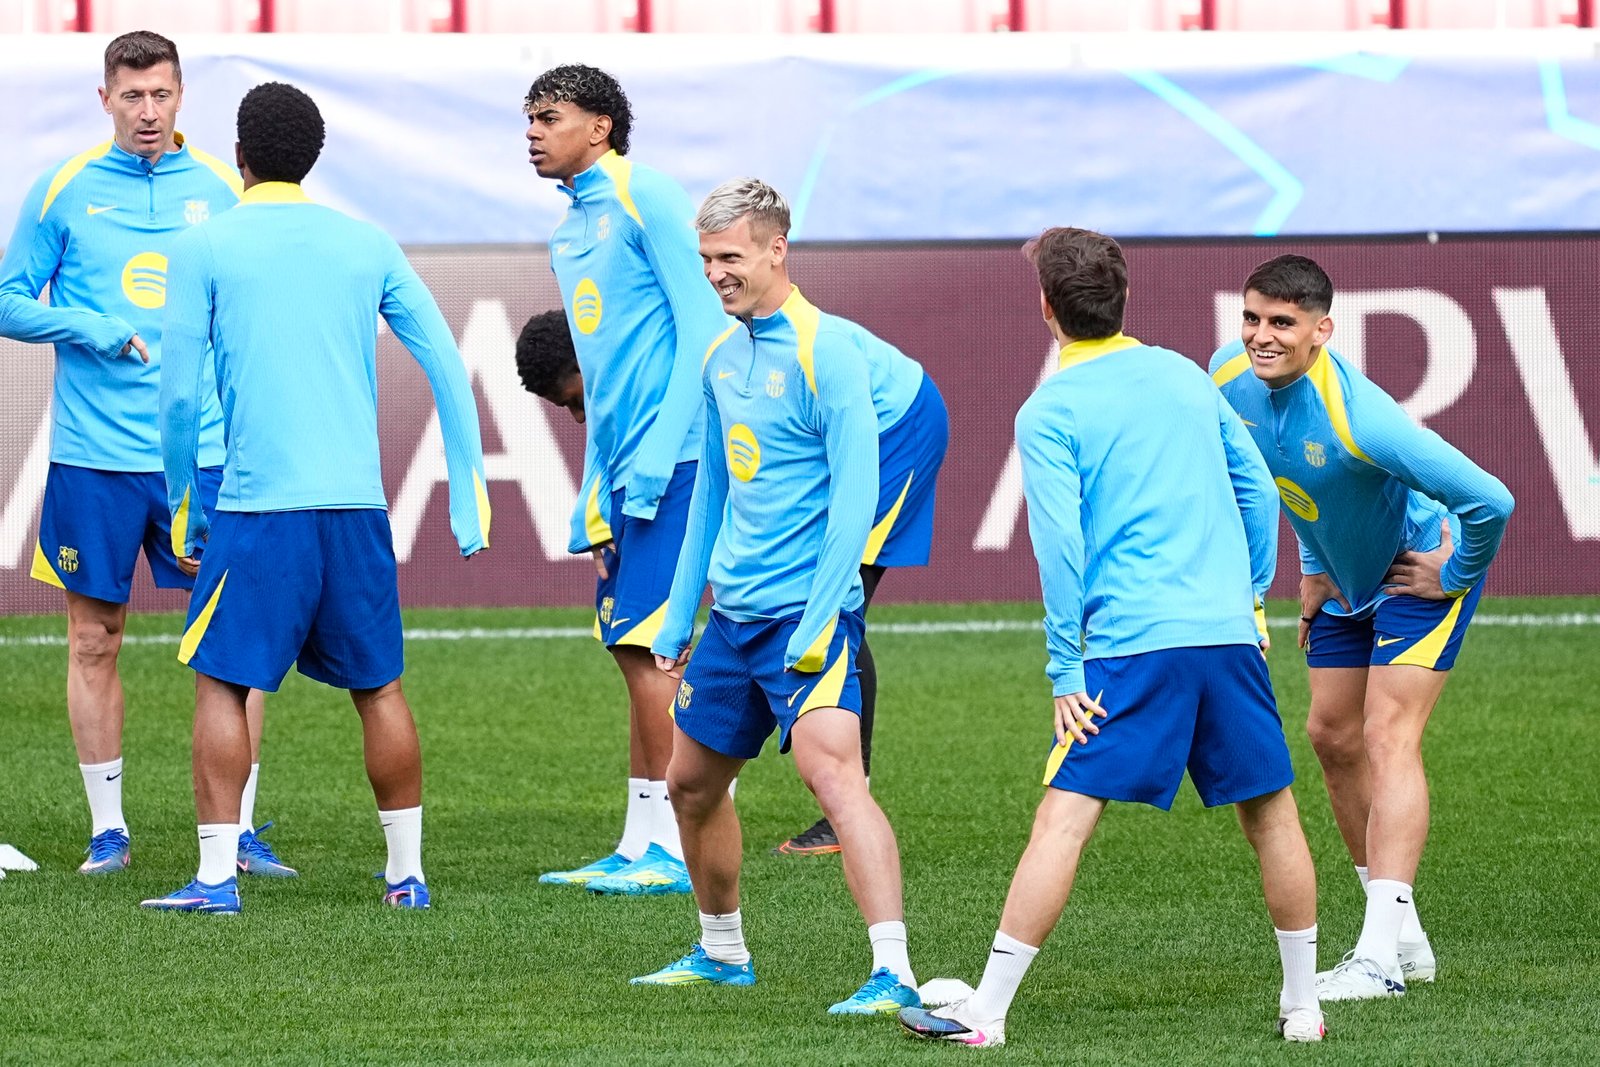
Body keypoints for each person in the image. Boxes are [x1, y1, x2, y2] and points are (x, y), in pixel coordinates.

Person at [900, 227, 1324, 1048]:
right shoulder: (1184, 374)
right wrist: (1249, 601)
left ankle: (985, 1012)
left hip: (1133, 646)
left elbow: (1061, 551)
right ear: (1122, 299)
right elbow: (1257, 492)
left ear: (1047, 308)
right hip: (1226, 638)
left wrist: (1065, 666)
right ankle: (1303, 1007)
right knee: (1272, 814)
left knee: (1063, 818)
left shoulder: (1049, 408)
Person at [140, 81, 489, 914]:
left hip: (260, 509)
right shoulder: (366, 243)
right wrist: (467, 491)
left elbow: (179, 398)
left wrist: (183, 500)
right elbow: (447, 362)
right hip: (358, 509)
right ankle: (408, 876)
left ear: (240, 155)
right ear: (315, 158)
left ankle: (217, 879)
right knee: (380, 686)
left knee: (222, 681)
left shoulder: (205, 247)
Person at [0, 30, 292, 880]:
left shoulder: (222, 192)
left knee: (237, 638)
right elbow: (10, 301)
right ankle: (108, 828)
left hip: (203, 456)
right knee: (96, 637)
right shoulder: (63, 188)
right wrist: (90, 327)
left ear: (181, 94)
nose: (148, 112)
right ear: (105, 100)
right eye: (132, 97)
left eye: (161, 94)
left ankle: (235, 828)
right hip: (95, 456)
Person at [635, 178, 920, 1017]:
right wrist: (679, 610)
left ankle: (893, 970)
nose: (716, 274)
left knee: (836, 779)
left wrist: (826, 613)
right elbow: (713, 499)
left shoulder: (826, 352)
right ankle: (722, 951)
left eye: (730, 258)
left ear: (775, 249)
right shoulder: (720, 358)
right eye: (706, 260)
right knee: (689, 783)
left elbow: (856, 499)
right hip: (732, 622)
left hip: (806, 619)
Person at [1210, 254, 1514, 999]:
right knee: (1332, 736)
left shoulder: (1361, 415)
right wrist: (1315, 562)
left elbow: (1491, 500)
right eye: (1252, 317)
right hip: (1346, 582)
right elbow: (1288, 479)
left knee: (1386, 735)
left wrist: (1454, 571)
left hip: (1417, 571)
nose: (1261, 335)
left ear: (1323, 330)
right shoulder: (1223, 376)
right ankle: (1405, 939)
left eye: (1282, 322)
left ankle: (1376, 956)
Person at [524, 64, 728, 895]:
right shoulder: (571, 231)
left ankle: (680, 848)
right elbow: (605, 379)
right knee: (627, 647)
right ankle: (641, 837)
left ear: (601, 126)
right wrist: (597, 485)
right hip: (627, 470)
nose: (533, 132)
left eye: (550, 116)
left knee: (654, 650)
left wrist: (655, 457)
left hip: (675, 461)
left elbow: (705, 326)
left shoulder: (648, 195)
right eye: (528, 120)